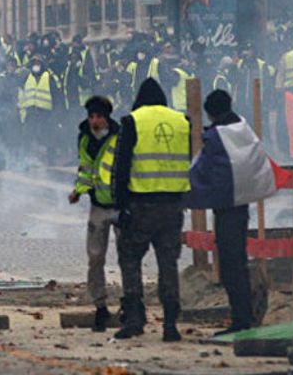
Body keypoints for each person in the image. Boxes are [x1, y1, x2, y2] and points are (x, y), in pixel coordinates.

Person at [184, 89, 277, 336]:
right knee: (238, 261)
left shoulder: (216, 138)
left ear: (210, 113)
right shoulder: (243, 129)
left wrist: (184, 194)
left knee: (230, 265)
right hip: (241, 204)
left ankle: (241, 318)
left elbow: (202, 170)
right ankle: (244, 315)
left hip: (226, 207)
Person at [109, 78, 190, 342]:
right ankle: (170, 325)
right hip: (173, 206)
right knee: (168, 263)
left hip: (140, 205)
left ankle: (134, 320)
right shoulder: (182, 121)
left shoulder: (132, 121)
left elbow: (121, 167)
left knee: (130, 260)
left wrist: (119, 205)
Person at [68, 95, 121, 333]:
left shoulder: (120, 136)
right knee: (95, 257)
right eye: (91, 117)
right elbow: (85, 168)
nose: (94, 121)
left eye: (98, 116)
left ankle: (130, 304)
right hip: (98, 204)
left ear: (106, 117)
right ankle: (100, 306)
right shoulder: (85, 138)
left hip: (120, 205)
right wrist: (78, 191)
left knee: (126, 257)